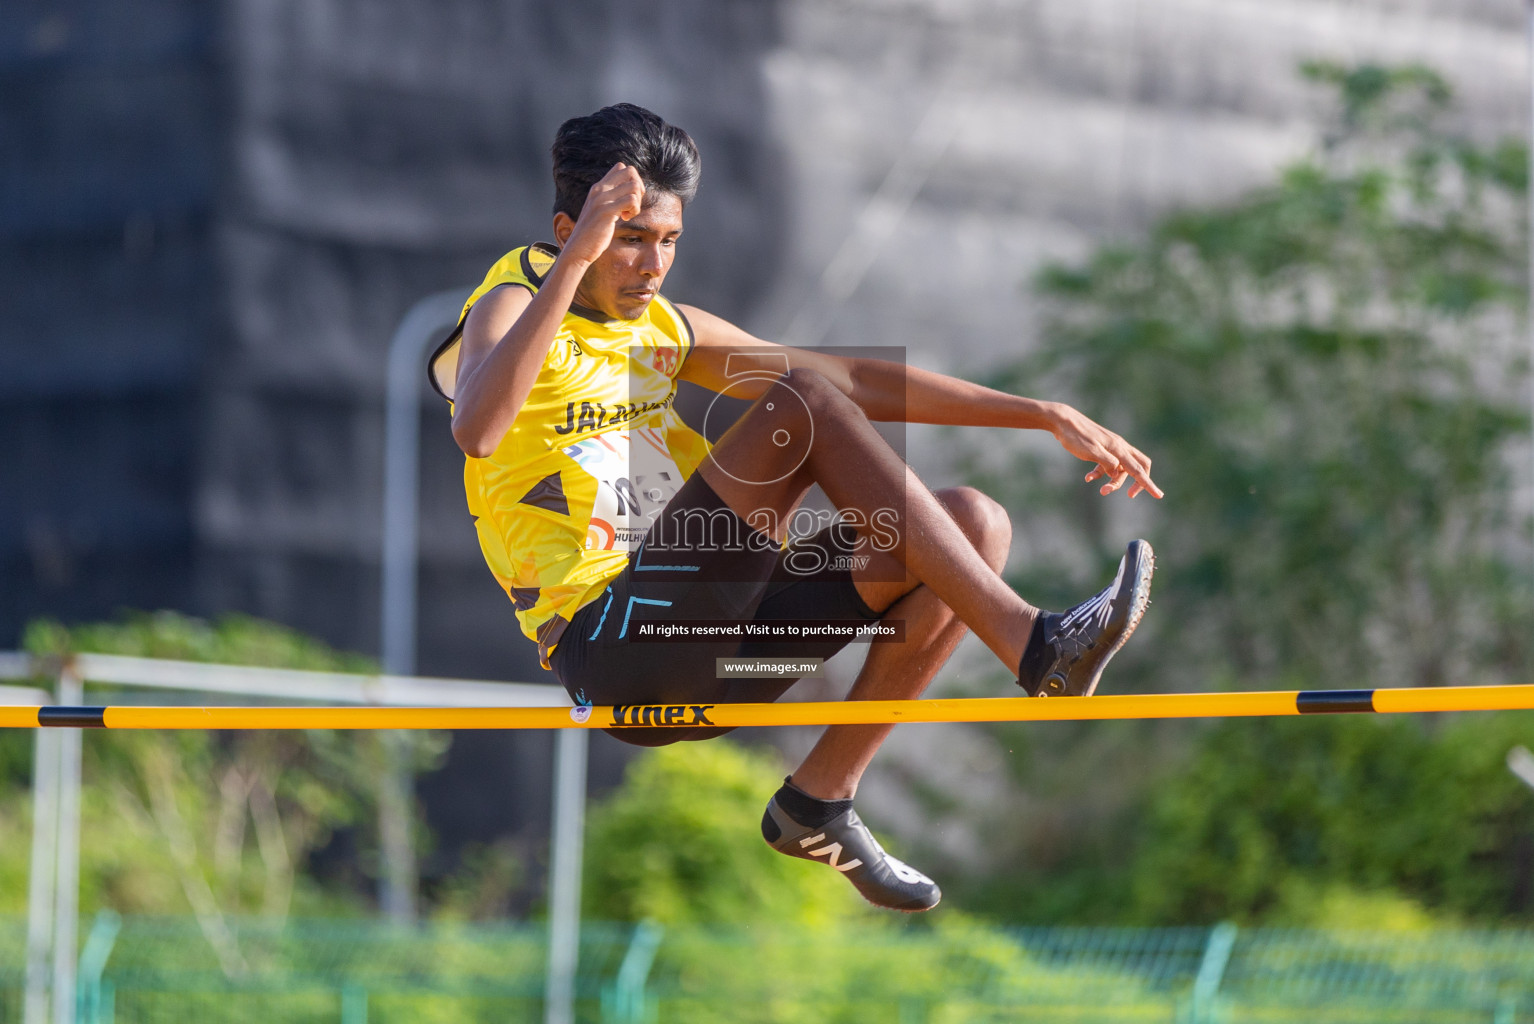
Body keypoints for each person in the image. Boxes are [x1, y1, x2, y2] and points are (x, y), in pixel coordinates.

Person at [431, 103, 1161, 913]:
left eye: (668, 242)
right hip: (622, 648)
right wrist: (573, 263)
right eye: (630, 240)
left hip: (721, 649)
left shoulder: (664, 327)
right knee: (799, 403)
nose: (651, 266)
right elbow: (479, 428)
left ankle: (820, 801)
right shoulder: (509, 300)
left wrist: (1037, 412)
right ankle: (1035, 646)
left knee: (974, 522)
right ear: (572, 228)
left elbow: (852, 381)